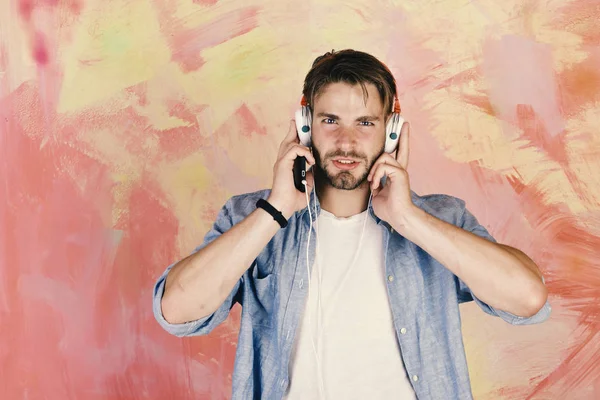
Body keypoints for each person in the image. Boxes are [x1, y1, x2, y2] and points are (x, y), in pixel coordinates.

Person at [152, 49, 551, 400]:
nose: (346, 141)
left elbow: (528, 299)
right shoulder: (250, 217)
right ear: (305, 125)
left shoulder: (441, 218)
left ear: (390, 131)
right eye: (330, 120)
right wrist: (275, 210)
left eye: (365, 123)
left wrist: (408, 218)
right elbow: (177, 311)